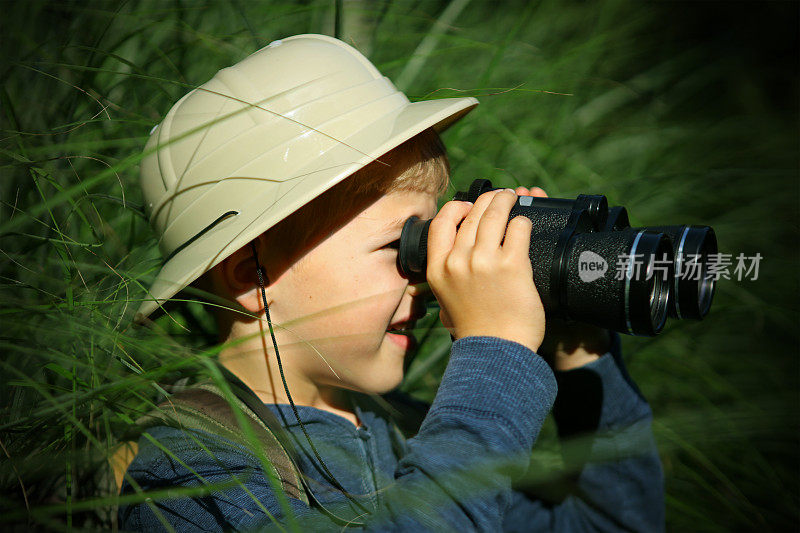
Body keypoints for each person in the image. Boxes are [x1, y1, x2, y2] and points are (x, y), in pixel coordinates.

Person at [119, 34, 664, 531]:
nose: (425, 279)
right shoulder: (193, 471)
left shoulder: (410, 431)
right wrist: (495, 351)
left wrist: (573, 343)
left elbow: (613, 523)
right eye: (400, 248)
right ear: (251, 276)